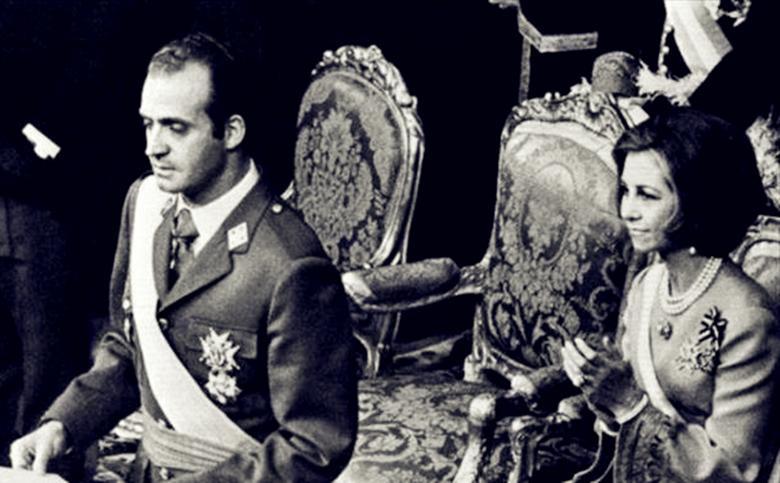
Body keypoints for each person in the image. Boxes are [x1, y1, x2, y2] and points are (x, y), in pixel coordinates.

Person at [9, 32, 358, 482]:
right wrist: (63, 424)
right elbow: (128, 346)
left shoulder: (289, 266)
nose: (153, 146)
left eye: (176, 127)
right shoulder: (145, 204)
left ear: (230, 132)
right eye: (148, 124)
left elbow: (314, 446)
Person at [561, 106, 780, 482]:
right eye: (626, 191)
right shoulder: (648, 285)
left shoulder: (748, 319)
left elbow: (734, 471)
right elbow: (623, 419)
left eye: (647, 195)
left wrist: (630, 404)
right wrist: (600, 390)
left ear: (697, 203)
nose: (628, 211)